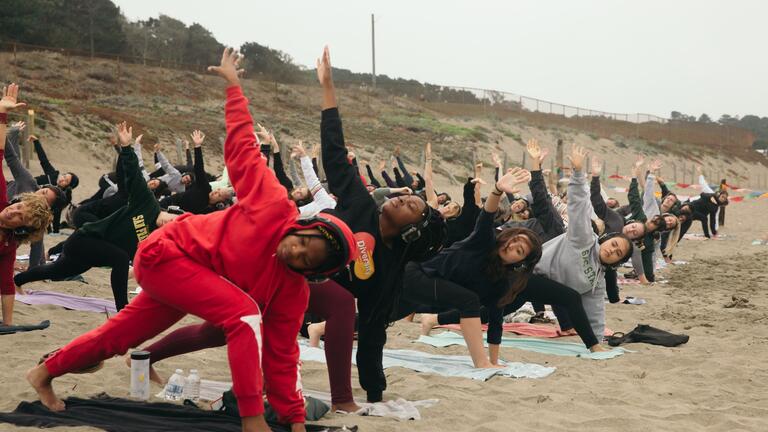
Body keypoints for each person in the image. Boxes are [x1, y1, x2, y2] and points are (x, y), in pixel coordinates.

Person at [26, 48, 359, 432]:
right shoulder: (273, 206)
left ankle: (45, 372)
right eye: (302, 241)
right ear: (306, 226)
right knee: (244, 314)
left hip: (187, 281)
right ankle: (252, 421)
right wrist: (234, 89)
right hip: (165, 253)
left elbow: (283, 356)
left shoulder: (291, 292)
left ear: (312, 272)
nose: (294, 251)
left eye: (305, 259)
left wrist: (295, 421)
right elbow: (243, 152)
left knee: (119, 337)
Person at [317, 46, 447, 403]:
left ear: (412, 232)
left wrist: (375, 392)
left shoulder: (387, 271)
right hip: (288, 258)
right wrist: (328, 89)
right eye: (408, 197)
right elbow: (334, 154)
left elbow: (373, 332)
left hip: (318, 296)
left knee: (344, 304)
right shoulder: (360, 204)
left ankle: (347, 395)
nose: (403, 198)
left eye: (412, 207)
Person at [14, 122, 177, 311]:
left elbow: (151, 264)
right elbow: (134, 176)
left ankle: (17, 280)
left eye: (170, 227)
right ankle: (122, 308)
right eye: (171, 219)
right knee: (121, 258)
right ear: (171, 213)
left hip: (92, 256)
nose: (167, 223)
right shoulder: (147, 203)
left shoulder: (154, 238)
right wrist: (126, 147)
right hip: (85, 238)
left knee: (55, 271)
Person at [400, 167, 542, 367]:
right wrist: (497, 190)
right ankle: (480, 362)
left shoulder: (500, 282)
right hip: (416, 274)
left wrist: (495, 361)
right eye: (514, 240)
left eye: (518, 251)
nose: (511, 246)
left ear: (520, 263)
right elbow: (486, 214)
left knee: (378, 317)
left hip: (425, 295)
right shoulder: (484, 241)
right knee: (470, 301)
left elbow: (495, 322)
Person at [533, 145, 633, 340]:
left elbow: (596, 311)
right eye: (613, 245)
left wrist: (597, 340)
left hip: (548, 292)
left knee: (570, 298)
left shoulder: (597, 280)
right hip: (530, 273)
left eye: (618, 254)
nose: (613, 251)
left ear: (617, 263)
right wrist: (579, 173)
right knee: (491, 308)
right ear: (605, 239)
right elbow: (579, 206)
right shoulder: (584, 239)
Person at [0, 83, 54, 326]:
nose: (13, 210)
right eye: (18, 206)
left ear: (21, 229)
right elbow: (1, 154)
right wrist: (2, 113)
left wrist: (8, 323)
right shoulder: (4, 196)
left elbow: (6, 283)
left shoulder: (9, 243)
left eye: (19, 216)